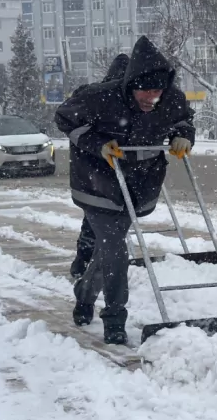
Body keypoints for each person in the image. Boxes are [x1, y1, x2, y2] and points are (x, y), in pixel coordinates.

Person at [54, 36, 195, 345]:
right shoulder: (97, 98)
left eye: (159, 92)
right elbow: (64, 118)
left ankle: (84, 294)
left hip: (138, 183)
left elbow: (183, 120)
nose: (153, 98)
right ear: (131, 83)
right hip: (98, 181)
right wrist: (98, 144)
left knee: (110, 248)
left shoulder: (171, 99)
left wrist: (183, 135)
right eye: (147, 91)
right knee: (116, 247)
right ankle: (115, 318)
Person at [69, 53, 131, 280]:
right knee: (105, 225)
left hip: (95, 171)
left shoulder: (95, 95)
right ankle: (91, 266)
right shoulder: (101, 97)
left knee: (95, 221)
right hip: (104, 169)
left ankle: (85, 261)